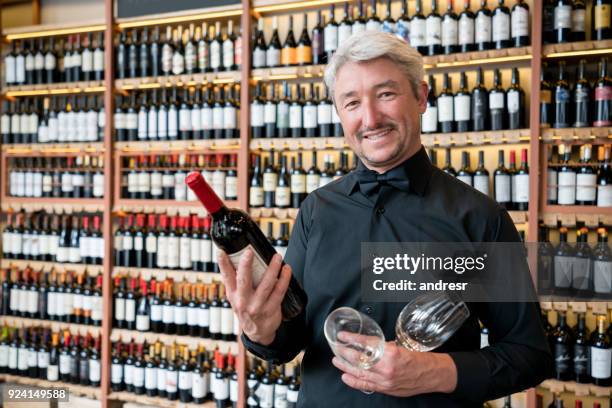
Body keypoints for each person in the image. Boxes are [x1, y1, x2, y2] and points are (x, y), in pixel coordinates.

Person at [217, 31, 553, 406]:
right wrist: (261, 330)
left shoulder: (479, 217)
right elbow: (288, 344)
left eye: (386, 94)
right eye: (352, 103)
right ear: (340, 114)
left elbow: (530, 355)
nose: (371, 118)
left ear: (421, 97)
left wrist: (433, 372)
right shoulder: (316, 210)